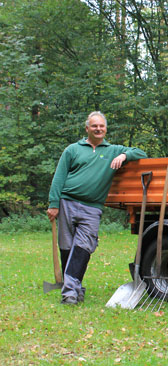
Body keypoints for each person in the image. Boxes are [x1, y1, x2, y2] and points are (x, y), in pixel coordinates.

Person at [47, 111, 147, 305]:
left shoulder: (112, 150)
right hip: (67, 202)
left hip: (92, 208)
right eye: (94, 126)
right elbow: (59, 177)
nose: (98, 129)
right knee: (67, 249)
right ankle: (76, 288)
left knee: (83, 248)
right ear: (87, 129)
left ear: (106, 129)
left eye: (101, 126)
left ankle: (69, 294)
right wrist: (53, 204)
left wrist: (125, 155)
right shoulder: (73, 150)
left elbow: (141, 153)